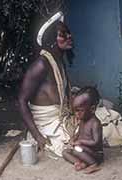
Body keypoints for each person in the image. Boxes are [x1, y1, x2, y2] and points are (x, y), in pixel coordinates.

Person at [18, 12, 75, 157]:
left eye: (68, 33)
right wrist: (37, 136)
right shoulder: (41, 65)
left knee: (103, 123)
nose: (69, 37)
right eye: (63, 35)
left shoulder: (58, 61)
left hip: (61, 117)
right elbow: (21, 101)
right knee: (92, 136)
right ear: (51, 40)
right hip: (48, 124)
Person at [62, 87, 104, 174]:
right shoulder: (82, 120)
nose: (76, 114)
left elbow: (96, 142)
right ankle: (79, 162)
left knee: (77, 150)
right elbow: (79, 133)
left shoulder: (95, 123)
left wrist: (80, 141)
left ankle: (94, 164)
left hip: (95, 153)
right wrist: (74, 138)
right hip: (83, 151)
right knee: (65, 152)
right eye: (75, 111)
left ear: (92, 109)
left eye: (79, 111)